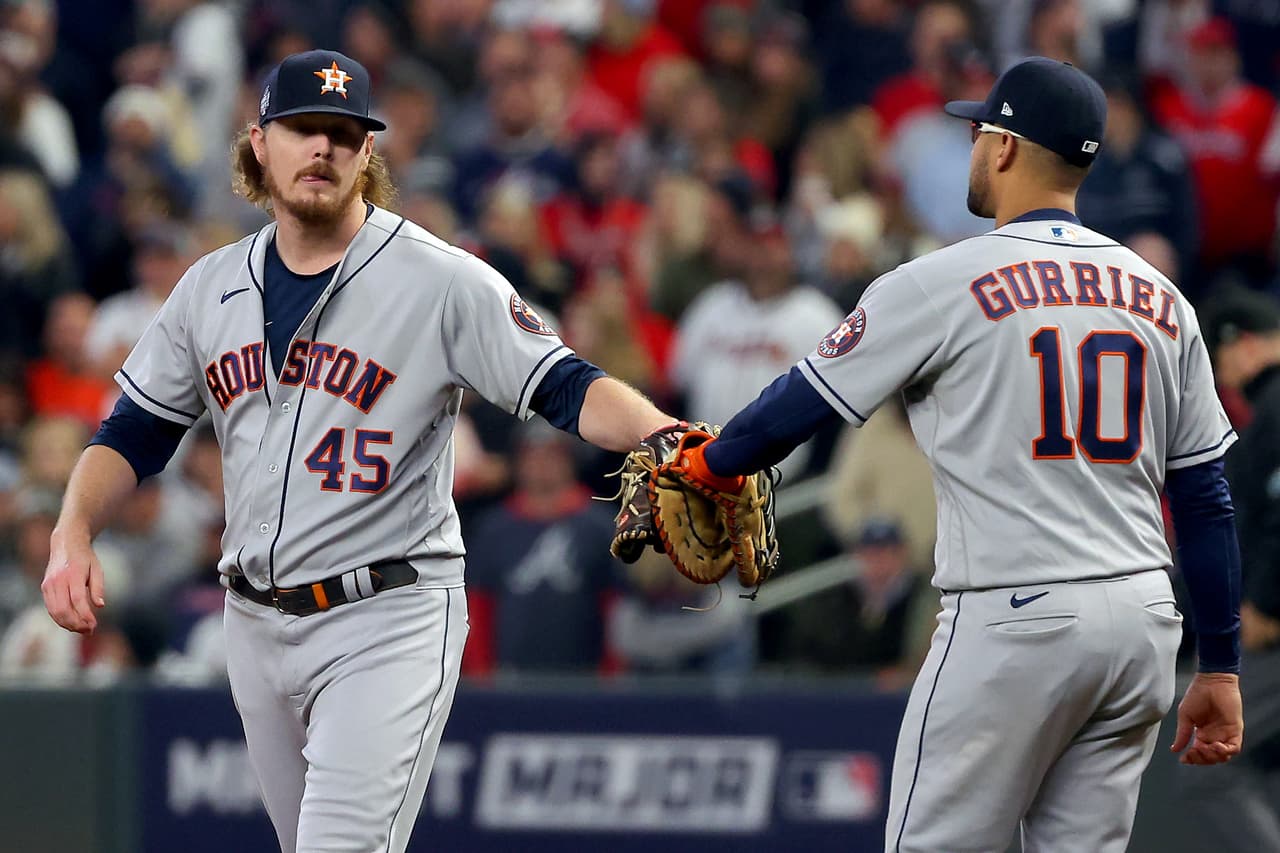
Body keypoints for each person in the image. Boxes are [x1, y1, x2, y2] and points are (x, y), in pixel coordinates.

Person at [39, 50, 675, 853]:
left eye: (345, 134)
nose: (325, 149)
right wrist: (73, 529)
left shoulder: (440, 280)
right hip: (254, 618)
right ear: (259, 144)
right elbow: (131, 432)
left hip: (387, 614)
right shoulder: (210, 286)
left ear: (368, 153)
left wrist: (665, 433)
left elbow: (566, 385)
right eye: (305, 128)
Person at [669, 57, 1244, 851]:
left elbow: (792, 410)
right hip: (1144, 620)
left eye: (980, 130)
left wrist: (709, 463)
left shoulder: (944, 279)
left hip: (1017, 613)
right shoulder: (1162, 296)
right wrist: (1219, 663)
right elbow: (1207, 498)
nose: (973, 145)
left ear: (1005, 147)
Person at [1172, 287, 1280, 851]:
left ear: (1244, 344)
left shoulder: (1278, 405)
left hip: (1273, 635)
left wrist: (1264, 601)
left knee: (1207, 767)